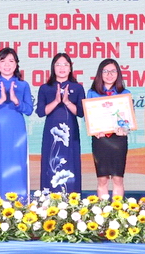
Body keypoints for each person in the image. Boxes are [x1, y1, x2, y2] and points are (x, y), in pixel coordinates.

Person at [0, 48, 32, 199]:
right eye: (3, 61)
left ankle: (19, 202)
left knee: (17, 163)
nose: (7, 65)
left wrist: (16, 101)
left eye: (11, 61)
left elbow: (29, 110)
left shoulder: (23, 85)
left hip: (17, 130)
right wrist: (0, 101)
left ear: (16, 64)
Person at [36, 53, 85, 193]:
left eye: (65, 65)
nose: (62, 68)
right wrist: (56, 101)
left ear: (70, 68)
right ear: (53, 67)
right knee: (50, 162)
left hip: (70, 133)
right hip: (51, 133)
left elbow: (81, 113)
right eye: (58, 64)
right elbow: (41, 112)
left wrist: (67, 102)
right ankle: (48, 199)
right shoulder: (45, 88)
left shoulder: (78, 88)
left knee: (71, 163)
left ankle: (72, 199)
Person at [87, 58, 131, 198]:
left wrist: (125, 129)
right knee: (102, 179)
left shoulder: (125, 93)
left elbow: (128, 120)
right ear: (100, 73)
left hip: (119, 140)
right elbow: (89, 117)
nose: (109, 74)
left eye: (113, 71)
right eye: (105, 71)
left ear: (118, 74)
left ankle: (117, 210)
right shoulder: (92, 93)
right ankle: (103, 211)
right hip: (100, 140)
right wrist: (94, 130)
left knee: (118, 179)